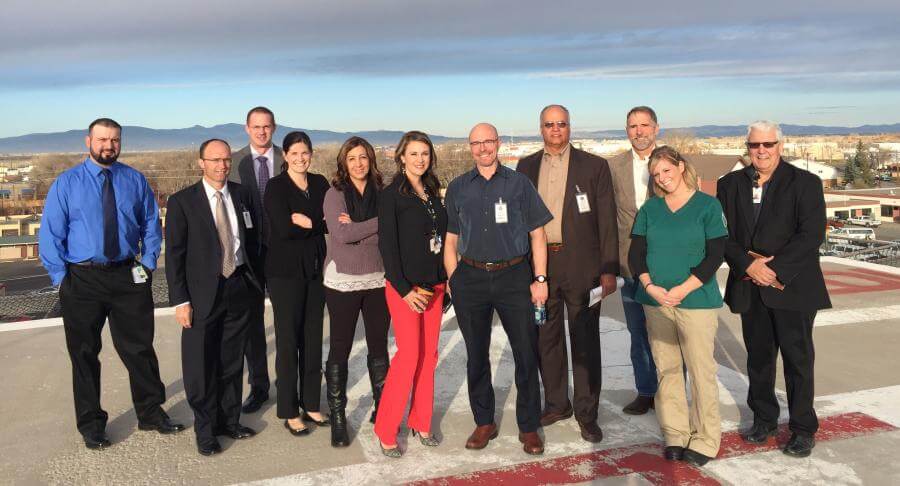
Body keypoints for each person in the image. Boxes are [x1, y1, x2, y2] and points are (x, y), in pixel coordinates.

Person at [38, 118, 184, 450]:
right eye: (102, 139)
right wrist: (63, 280)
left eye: (115, 140)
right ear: (88, 141)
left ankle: (150, 412)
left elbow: (150, 224)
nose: (109, 146)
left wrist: (146, 264)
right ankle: (91, 424)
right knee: (85, 354)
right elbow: (50, 237)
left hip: (127, 276)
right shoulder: (67, 183)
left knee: (139, 349)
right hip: (82, 279)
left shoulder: (134, 180)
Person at [717, 120, 831, 458]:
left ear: (780, 145)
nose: (761, 151)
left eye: (768, 144)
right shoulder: (730, 184)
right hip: (750, 285)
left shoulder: (805, 183)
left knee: (798, 360)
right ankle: (764, 419)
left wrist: (774, 269)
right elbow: (722, 233)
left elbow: (811, 235)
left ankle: (802, 428)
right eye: (755, 146)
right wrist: (749, 265)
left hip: (792, 287)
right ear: (747, 148)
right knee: (759, 359)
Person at [444, 122, 552, 456]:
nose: (482, 148)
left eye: (487, 142)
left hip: (514, 277)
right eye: (476, 143)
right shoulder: (459, 187)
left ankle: (529, 427)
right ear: (470, 146)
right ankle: (484, 422)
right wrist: (454, 280)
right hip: (471, 279)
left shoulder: (519, 184)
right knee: (476, 354)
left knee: (525, 353)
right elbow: (450, 240)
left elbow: (538, 235)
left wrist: (540, 280)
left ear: (498, 144)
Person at [516, 105, 618, 443]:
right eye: (549, 124)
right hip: (542, 267)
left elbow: (606, 220)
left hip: (583, 267)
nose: (556, 130)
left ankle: (587, 413)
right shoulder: (525, 166)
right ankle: (557, 403)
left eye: (561, 124)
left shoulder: (594, 166)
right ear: (540, 128)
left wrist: (608, 269)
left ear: (569, 127)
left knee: (585, 339)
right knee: (546, 337)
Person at [628, 146, 727, 467]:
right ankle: (675, 433)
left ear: (681, 167)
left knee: (701, 371)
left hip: (695, 302)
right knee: (667, 370)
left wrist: (683, 288)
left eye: (666, 170)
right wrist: (651, 286)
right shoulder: (650, 209)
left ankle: (705, 438)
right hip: (656, 302)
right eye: (656, 174)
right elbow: (636, 254)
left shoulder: (707, 206)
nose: (662, 178)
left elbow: (715, 255)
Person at [166, 138, 264, 456]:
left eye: (226, 160)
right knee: (200, 367)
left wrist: (255, 281)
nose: (222, 165)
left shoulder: (242, 194)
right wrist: (181, 301)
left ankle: (228, 420)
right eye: (215, 160)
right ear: (201, 163)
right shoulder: (183, 202)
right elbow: (175, 256)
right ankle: (205, 430)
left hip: (238, 288)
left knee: (232, 362)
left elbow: (253, 240)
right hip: (200, 296)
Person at [374, 131, 448, 457]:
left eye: (425, 154)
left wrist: (446, 282)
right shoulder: (391, 195)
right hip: (406, 289)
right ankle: (386, 427)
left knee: (429, 356)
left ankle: (421, 419)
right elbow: (387, 247)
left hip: (435, 285)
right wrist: (404, 290)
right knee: (408, 356)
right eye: (413, 153)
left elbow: (442, 240)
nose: (420, 159)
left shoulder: (432, 192)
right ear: (401, 156)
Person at [322, 136, 390, 447]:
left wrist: (361, 227)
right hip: (343, 281)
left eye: (363, 157)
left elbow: (392, 231)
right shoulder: (334, 194)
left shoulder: (385, 192)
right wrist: (376, 224)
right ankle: (338, 417)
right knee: (340, 348)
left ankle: (383, 408)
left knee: (378, 347)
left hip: (378, 278)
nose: (358, 164)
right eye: (352, 159)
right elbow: (342, 233)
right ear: (344, 163)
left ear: (371, 160)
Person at [263, 131, 331, 436]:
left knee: (313, 339)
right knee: (289, 342)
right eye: (294, 153)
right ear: (285, 156)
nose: (301, 158)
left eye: (305, 153)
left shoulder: (320, 184)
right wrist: (313, 225)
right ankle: (289, 410)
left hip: (316, 271)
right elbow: (282, 229)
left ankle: (312, 403)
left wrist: (310, 223)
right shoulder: (275, 187)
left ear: (311, 154)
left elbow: (329, 221)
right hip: (285, 274)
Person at [229, 106, 283, 413]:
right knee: (251, 324)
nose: (262, 131)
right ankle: (259, 387)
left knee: (286, 322)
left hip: (282, 252)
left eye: (267, 126)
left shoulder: (288, 158)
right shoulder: (234, 162)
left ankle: (290, 383)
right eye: (256, 126)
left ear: (274, 128)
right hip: (248, 253)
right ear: (247, 128)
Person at [608, 106, 660, 415]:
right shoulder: (614, 167)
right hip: (629, 265)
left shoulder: (673, 163)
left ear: (656, 127)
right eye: (632, 126)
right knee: (638, 333)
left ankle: (671, 395)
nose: (638, 131)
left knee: (668, 337)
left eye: (644, 125)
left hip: (667, 265)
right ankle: (646, 391)